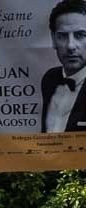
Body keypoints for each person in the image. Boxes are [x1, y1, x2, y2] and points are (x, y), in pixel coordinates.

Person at [43, 1, 86, 133]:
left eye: (80, 35)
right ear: (53, 39)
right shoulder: (49, 78)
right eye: (62, 36)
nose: (70, 46)